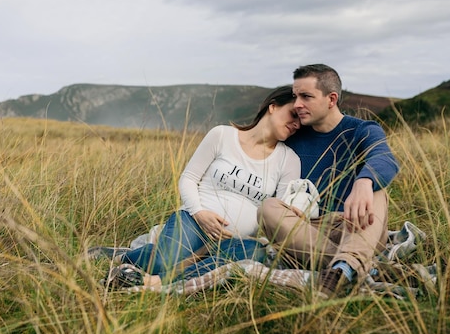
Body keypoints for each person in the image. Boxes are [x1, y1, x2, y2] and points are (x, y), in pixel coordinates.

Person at [103, 85, 302, 289]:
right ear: (273, 107)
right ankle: (125, 256)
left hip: (236, 240)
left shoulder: (289, 160)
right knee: (164, 260)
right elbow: (188, 178)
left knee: (254, 254)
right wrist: (199, 212)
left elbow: (280, 212)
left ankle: (155, 282)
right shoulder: (222, 135)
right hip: (194, 222)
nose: (296, 124)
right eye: (293, 115)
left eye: (300, 122)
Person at [257, 64, 400, 299]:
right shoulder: (293, 135)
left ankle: (343, 268)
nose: (297, 104)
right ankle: (355, 268)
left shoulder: (362, 129)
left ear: (331, 99)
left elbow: (385, 158)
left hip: (356, 225)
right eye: (295, 96)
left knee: (377, 191)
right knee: (268, 208)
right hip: (307, 232)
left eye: (306, 96)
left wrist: (363, 182)